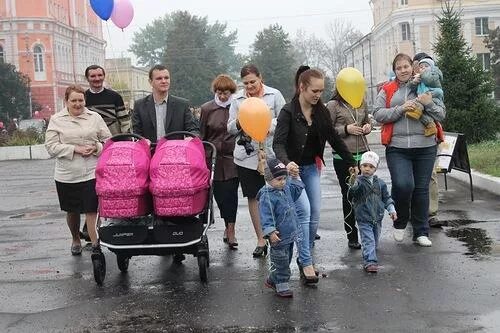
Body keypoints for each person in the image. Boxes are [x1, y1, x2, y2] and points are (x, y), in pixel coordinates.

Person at [273, 67, 356, 283]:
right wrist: (286, 162)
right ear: (302, 87)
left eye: (321, 91)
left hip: (310, 168)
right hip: (293, 171)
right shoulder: (288, 112)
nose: (318, 95)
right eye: (314, 91)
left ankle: (304, 257)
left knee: (315, 215)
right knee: (305, 212)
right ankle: (307, 262)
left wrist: (351, 162)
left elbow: (335, 140)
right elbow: (278, 143)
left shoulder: (321, 112)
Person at [373, 53, 445, 247]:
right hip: (397, 147)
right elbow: (378, 114)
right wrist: (401, 109)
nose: (403, 70)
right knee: (403, 185)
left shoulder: (426, 85)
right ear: (394, 70)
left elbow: (441, 114)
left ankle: (421, 232)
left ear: (412, 67)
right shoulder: (387, 89)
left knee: (421, 189)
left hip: (426, 146)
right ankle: (401, 221)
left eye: (406, 66)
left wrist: (427, 103)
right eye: (399, 68)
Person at [45, 85, 112, 256]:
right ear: (66, 101)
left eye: (80, 100)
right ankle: (75, 238)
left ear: (85, 100)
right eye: (73, 100)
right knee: (72, 210)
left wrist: (96, 147)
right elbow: (51, 147)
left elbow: (109, 141)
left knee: (91, 209)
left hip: (91, 171)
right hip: (67, 174)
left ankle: (96, 246)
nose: (77, 104)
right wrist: (74, 149)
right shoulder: (56, 119)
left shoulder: (94, 117)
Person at [227, 64, 286, 258]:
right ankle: (261, 239)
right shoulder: (237, 100)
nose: (249, 86)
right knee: (254, 196)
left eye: (253, 81)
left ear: (261, 78)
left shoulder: (274, 95)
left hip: (271, 153)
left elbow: (285, 119)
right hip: (247, 156)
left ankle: (277, 234)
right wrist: (240, 121)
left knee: (277, 193)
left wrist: (267, 122)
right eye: (245, 83)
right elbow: (230, 128)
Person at [326, 88, 372, 250]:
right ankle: (352, 234)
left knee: (366, 193)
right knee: (349, 194)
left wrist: (367, 127)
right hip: (343, 157)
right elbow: (327, 130)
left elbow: (368, 121)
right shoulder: (333, 105)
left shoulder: (361, 102)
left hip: (364, 155)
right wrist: (346, 129)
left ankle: (369, 232)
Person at [200, 74, 239, 248]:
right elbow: (202, 134)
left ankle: (231, 229)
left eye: (227, 93)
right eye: (220, 92)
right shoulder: (207, 108)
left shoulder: (238, 107)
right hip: (213, 158)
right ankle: (226, 223)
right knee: (219, 196)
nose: (223, 96)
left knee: (231, 194)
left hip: (233, 158)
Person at [258, 158, 304, 298]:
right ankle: (282, 284)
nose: (283, 182)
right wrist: (270, 232)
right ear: (269, 179)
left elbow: (296, 192)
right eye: (279, 179)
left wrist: (294, 178)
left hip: (289, 233)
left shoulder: (285, 188)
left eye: (284, 178)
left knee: (287, 258)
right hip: (277, 235)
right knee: (280, 260)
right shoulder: (266, 196)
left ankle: (273, 279)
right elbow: (265, 216)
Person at [348, 151, 397, 273]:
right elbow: (352, 192)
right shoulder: (358, 181)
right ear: (360, 167)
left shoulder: (380, 183)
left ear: (375, 169)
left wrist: (391, 209)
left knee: (374, 241)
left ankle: (370, 253)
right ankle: (370, 262)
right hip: (363, 217)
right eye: (364, 166)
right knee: (368, 240)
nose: (367, 169)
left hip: (378, 217)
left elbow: (386, 198)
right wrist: (353, 180)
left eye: (371, 167)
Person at [132, 64, 199, 142]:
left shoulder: (182, 105)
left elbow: (194, 130)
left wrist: (191, 138)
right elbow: (136, 133)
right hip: (149, 152)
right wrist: (142, 141)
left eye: (166, 78)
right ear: (150, 82)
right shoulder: (139, 105)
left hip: (175, 151)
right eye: (159, 78)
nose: (164, 81)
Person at [412, 53, 441, 228]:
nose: (418, 69)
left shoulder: (432, 87)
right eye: (417, 66)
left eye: (422, 66)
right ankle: (413, 210)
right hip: (410, 142)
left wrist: (428, 104)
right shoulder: (412, 85)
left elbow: (441, 113)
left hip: (430, 139)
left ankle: (431, 214)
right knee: (412, 178)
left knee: (430, 176)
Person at [84, 65, 130, 136]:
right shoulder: (82, 98)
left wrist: (127, 138)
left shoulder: (115, 96)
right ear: (87, 78)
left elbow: (124, 122)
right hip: (91, 142)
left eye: (100, 75)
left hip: (114, 141)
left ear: (104, 76)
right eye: (93, 76)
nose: (97, 78)